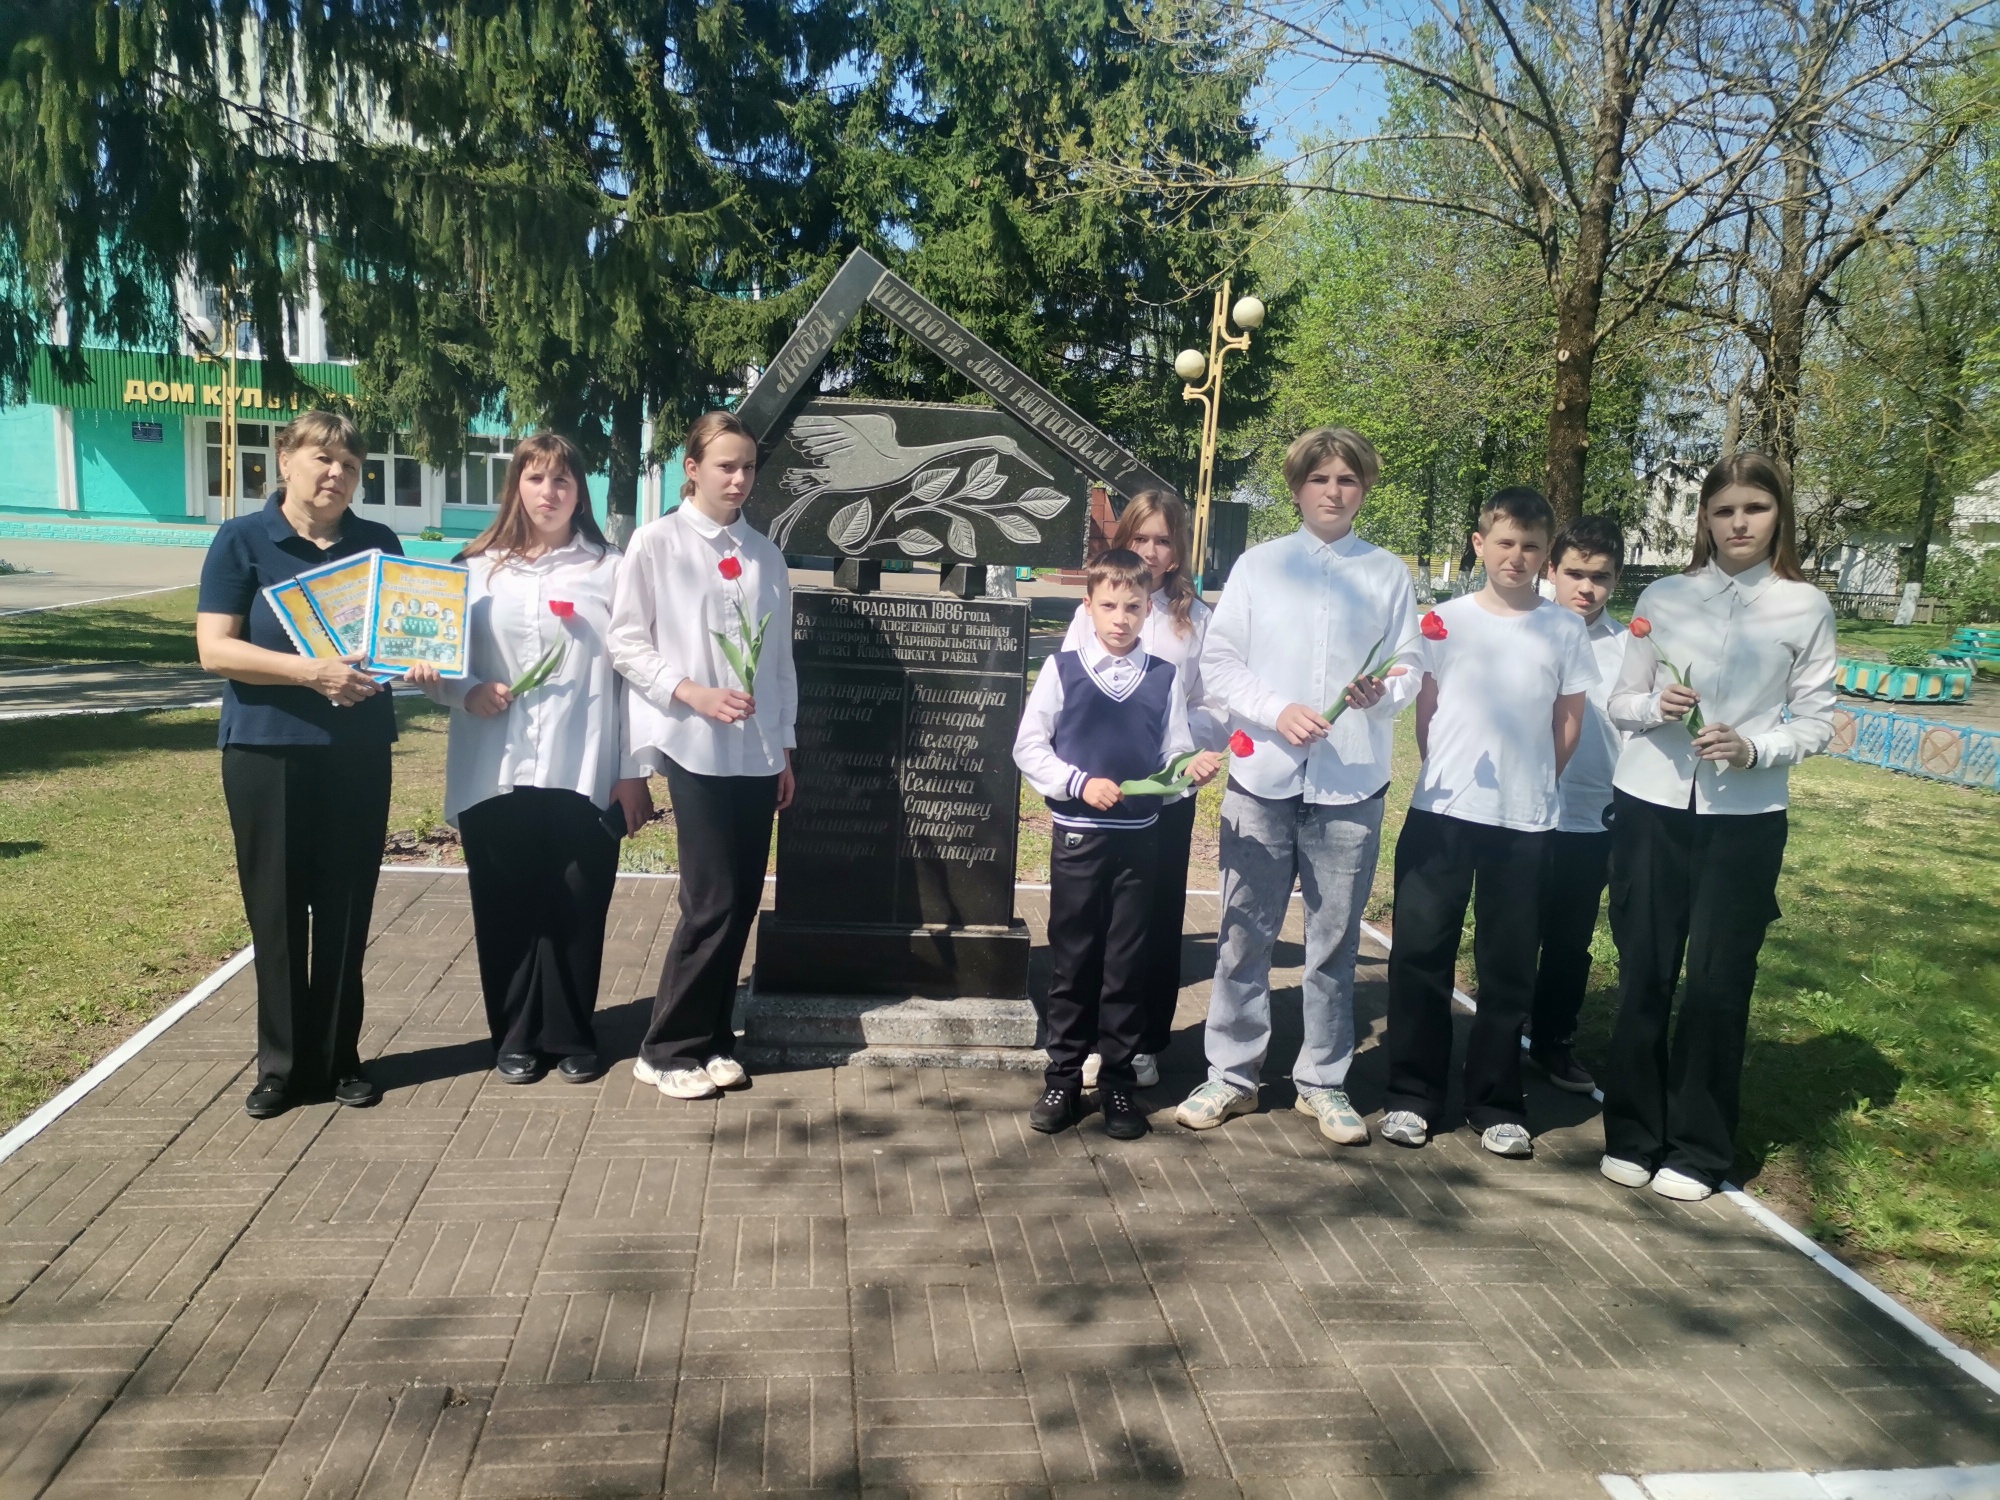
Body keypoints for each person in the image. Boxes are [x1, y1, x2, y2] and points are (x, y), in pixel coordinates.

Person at [1599, 453, 1835, 1202]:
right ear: (1704, 518)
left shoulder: (1806, 607)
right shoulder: (1664, 597)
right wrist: (1655, 707)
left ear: (1779, 517)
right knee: (1643, 974)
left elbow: (1819, 719)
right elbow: (1621, 702)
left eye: (1755, 509)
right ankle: (1633, 1133)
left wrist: (1755, 746)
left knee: (1717, 983)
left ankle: (1699, 1149)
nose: (1739, 524)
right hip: (1650, 807)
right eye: (1725, 510)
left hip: (1745, 818)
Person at [1174, 428, 1420, 1145]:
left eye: (1347, 479)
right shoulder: (1260, 566)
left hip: (1350, 782)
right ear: (1296, 488)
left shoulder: (1387, 574)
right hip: (1264, 776)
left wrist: (1383, 692)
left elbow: (1410, 665)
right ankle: (1233, 1072)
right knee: (1243, 931)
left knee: (1334, 940)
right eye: (1320, 479)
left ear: (1364, 488)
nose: (1333, 491)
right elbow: (1221, 664)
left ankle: (1323, 1079)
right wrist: (1276, 709)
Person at [405, 433, 653, 1085]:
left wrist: (634, 771)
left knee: (577, 905)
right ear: (516, 486)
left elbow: (633, 676)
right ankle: (513, 1036)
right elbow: (436, 662)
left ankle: (571, 1032)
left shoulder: (611, 569)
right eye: (536, 478)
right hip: (496, 767)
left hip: (585, 767)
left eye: (562, 479)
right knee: (506, 906)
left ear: (580, 492)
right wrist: (464, 691)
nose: (550, 492)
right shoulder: (473, 568)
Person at [194, 411, 401, 1118]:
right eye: (322, 458)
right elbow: (215, 649)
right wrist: (312, 672)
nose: (336, 473)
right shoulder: (242, 540)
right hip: (266, 751)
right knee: (277, 913)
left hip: (357, 752)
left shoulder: (377, 543)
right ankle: (281, 1067)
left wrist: (421, 657)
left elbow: (399, 635)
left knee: (346, 908)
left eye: (350, 464)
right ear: (285, 460)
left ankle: (340, 1059)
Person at [1380, 487, 1596, 1158]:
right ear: (1480, 544)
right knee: (1421, 955)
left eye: (1531, 547)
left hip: (1525, 822)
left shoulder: (1564, 629)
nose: (1516, 556)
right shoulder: (1443, 622)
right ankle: (1413, 1094)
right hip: (1443, 813)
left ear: (1546, 556)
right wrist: (1446, 769)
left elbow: (1568, 722)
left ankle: (1496, 1102)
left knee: (1508, 966)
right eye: (1505, 542)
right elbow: (1428, 713)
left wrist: (1534, 784)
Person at [610, 411, 796, 1100]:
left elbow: (780, 661)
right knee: (711, 900)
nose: (739, 479)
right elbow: (625, 642)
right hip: (693, 743)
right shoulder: (656, 542)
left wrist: (784, 748)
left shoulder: (765, 555)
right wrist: (691, 692)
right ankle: (665, 1049)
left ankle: (714, 1038)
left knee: (741, 899)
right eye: (725, 466)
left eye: (748, 466)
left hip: (756, 750)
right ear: (691, 469)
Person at [1015, 548, 1222, 1138]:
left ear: (1146, 610)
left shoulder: (1163, 677)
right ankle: (1063, 1077)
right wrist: (1078, 783)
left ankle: (1118, 1084)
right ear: (1089, 606)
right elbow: (1029, 746)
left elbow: (1171, 752)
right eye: (1108, 605)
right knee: (1074, 961)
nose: (1120, 618)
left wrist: (1189, 768)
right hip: (1079, 839)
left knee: (1127, 965)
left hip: (1139, 843)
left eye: (1132, 607)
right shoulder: (1063, 669)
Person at [1059, 491, 1227, 1089]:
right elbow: (1071, 691)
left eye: (1163, 540)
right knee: (1094, 918)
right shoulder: (1093, 608)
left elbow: (1212, 699)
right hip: (1099, 789)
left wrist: (1180, 753)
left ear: (1178, 550)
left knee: (1153, 916)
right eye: (1140, 538)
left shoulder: (1195, 618)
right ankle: (1086, 1039)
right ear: (1123, 540)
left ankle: (1144, 1041)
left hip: (1164, 792)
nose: (1151, 551)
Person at [1528, 515, 1630, 1095]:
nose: (1587, 588)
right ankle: (1496, 1036)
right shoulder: (1524, 628)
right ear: (1552, 570)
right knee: (1511, 931)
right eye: (1575, 574)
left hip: (1592, 818)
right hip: (1520, 811)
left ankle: (1553, 1042)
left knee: (1569, 941)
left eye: (1601, 577)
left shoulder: (1630, 647)